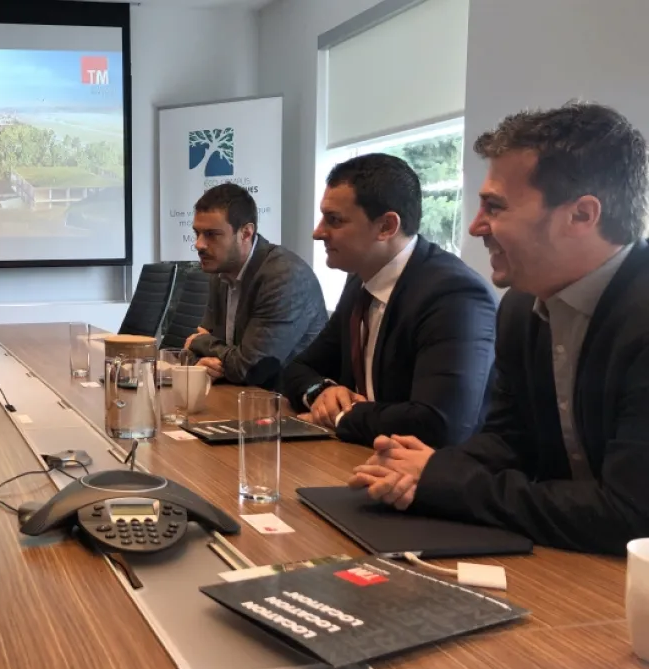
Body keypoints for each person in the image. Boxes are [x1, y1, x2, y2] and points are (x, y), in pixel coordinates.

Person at [349, 102, 649, 554]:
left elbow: (630, 516)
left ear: (582, 216)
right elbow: (510, 443)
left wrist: (446, 481)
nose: (475, 226)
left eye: (495, 206)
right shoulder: (520, 308)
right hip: (572, 563)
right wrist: (421, 468)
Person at [279, 154, 496, 447]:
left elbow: (440, 424)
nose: (318, 232)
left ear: (386, 226)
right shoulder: (360, 280)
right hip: (363, 456)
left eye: (334, 220)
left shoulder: (455, 295)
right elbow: (298, 369)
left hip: (426, 472)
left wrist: (341, 416)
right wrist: (322, 392)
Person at [184, 183, 326, 385]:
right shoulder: (220, 272)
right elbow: (192, 350)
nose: (199, 244)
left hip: (285, 397)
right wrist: (201, 355)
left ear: (246, 233)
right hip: (238, 393)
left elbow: (249, 369)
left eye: (211, 234)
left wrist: (203, 343)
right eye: (197, 233)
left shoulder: (284, 276)